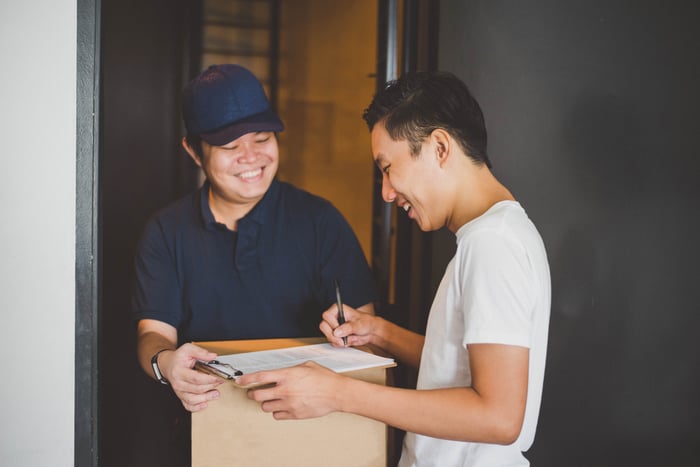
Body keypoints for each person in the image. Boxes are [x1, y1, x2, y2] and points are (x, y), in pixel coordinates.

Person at [239, 71, 551, 466]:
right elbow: (461, 366)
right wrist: (380, 333)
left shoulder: (493, 244)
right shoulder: (497, 234)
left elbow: (499, 416)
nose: (387, 192)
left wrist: (337, 393)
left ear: (439, 147)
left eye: (388, 168)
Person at [133, 64, 376, 413]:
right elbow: (153, 333)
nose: (251, 157)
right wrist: (167, 362)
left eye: (262, 138)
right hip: (209, 420)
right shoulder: (166, 231)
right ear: (193, 151)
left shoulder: (320, 221)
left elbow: (368, 339)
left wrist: (351, 339)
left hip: (310, 422)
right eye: (231, 146)